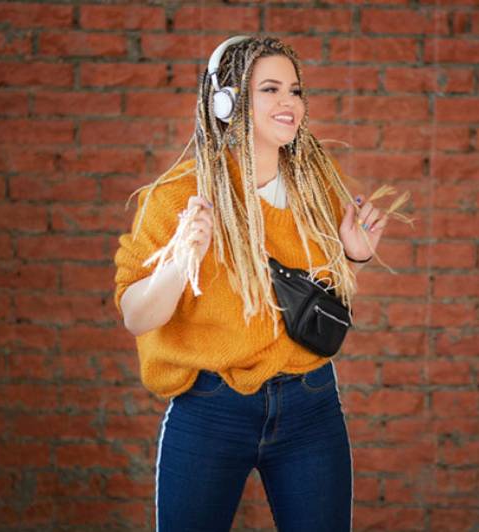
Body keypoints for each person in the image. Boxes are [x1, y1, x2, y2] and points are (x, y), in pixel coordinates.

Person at [113, 35, 388, 532]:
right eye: (271, 89)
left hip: (310, 406)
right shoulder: (177, 196)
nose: (289, 103)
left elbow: (318, 308)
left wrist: (353, 256)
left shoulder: (316, 187)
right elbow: (136, 316)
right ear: (227, 101)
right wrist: (180, 261)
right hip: (209, 410)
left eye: (296, 91)